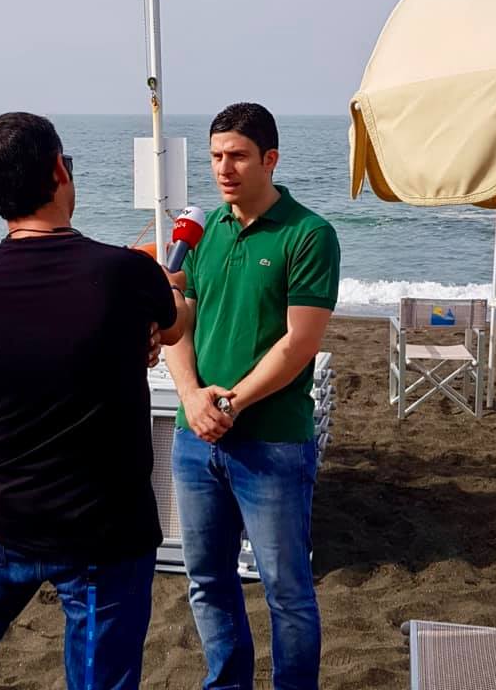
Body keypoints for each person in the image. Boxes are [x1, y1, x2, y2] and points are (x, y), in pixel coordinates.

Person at [0, 111, 187, 690]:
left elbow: (44, 340)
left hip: (3, 516)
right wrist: (163, 298)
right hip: (103, 528)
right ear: (60, 171)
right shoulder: (122, 273)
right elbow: (174, 325)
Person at [165, 102, 340, 690]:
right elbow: (178, 324)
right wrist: (190, 396)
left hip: (272, 445)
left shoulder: (309, 234)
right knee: (206, 581)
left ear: (270, 159)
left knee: (285, 591)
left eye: (237, 156)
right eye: (215, 156)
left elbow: (300, 342)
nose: (223, 168)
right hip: (196, 440)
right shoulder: (206, 231)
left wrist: (230, 403)